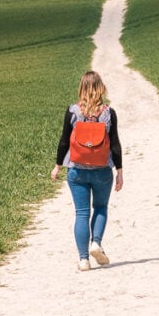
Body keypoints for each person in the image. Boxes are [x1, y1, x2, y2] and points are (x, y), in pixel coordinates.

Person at [51, 70, 123, 271]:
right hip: (102, 171)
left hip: (76, 171)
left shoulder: (73, 111)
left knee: (81, 213)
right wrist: (120, 171)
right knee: (100, 208)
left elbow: (64, 141)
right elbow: (115, 144)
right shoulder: (109, 113)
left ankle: (83, 260)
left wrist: (58, 166)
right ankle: (96, 243)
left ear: (81, 88)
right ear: (101, 89)